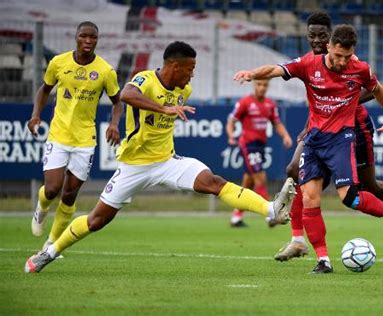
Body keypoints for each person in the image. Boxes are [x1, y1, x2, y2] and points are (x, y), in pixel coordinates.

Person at [24, 41, 296, 273]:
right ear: (175, 66)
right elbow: (128, 94)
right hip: (134, 166)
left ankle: (271, 209)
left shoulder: (183, 90)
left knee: (213, 181)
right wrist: (162, 109)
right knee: (97, 220)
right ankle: (49, 252)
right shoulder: (145, 80)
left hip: (167, 162)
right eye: (190, 69)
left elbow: (171, 99)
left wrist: (168, 110)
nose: (192, 76)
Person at [233, 24, 383, 274]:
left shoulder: (360, 69)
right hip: (314, 141)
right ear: (328, 47)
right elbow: (275, 69)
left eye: (347, 57)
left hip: (341, 140)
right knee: (310, 198)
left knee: (351, 197)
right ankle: (323, 260)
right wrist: (252, 73)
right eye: (338, 56)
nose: (342, 62)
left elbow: (377, 89)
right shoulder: (308, 64)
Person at [28, 21, 123, 251]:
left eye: (93, 37)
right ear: (76, 37)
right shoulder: (58, 63)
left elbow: (117, 101)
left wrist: (114, 123)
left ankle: (50, 245)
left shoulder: (105, 71)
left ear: (97, 40)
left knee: (69, 195)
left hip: (85, 140)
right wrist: (36, 114)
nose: (88, 41)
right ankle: (41, 209)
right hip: (59, 135)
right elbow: (45, 89)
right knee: (52, 189)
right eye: (84, 36)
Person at [227, 79, 293, 227]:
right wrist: (231, 135)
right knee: (260, 178)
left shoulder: (270, 104)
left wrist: (285, 136)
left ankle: (236, 217)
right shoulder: (245, 102)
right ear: (254, 85)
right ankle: (271, 214)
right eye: (259, 84)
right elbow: (231, 120)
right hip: (248, 145)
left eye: (265, 85)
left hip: (260, 146)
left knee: (248, 183)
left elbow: (276, 123)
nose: (262, 87)